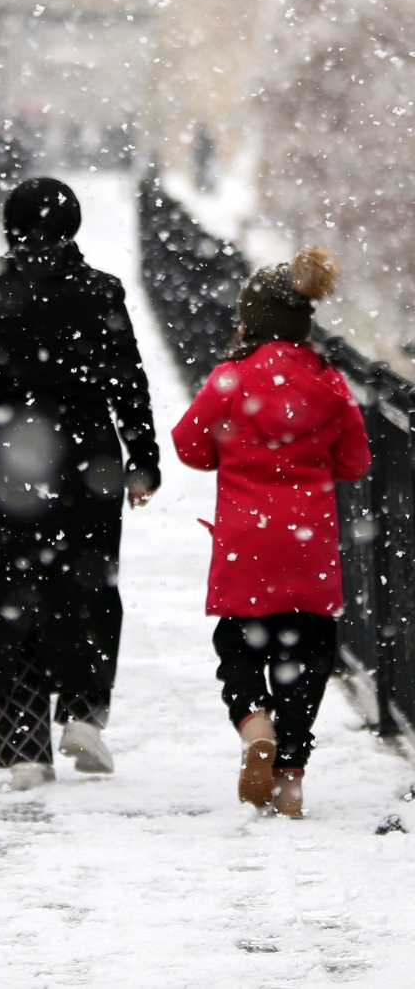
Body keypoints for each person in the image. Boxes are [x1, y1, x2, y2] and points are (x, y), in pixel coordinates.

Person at [0, 176, 160, 790]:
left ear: (10, 226)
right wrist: (143, 458)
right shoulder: (100, 291)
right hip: (86, 465)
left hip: (2, 465)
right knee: (88, 586)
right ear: (71, 226)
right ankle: (82, 713)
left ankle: (24, 746)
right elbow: (128, 381)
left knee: (4, 597)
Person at [172, 247, 371, 817]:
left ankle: (253, 719)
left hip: (246, 540)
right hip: (308, 545)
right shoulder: (331, 385)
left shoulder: (231, 380)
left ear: (250, 320)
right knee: (308, 654)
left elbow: (189, 445)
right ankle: (291, 774)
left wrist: (233, 459)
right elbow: (355, 462)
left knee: (237, 644)